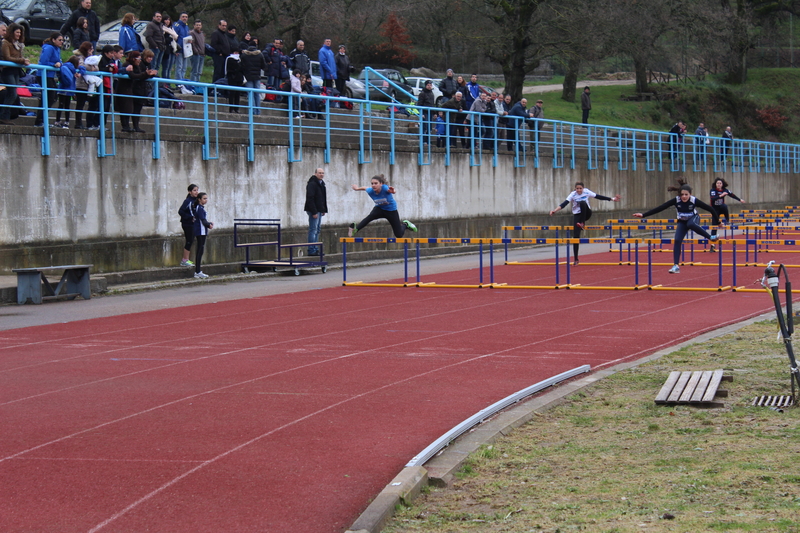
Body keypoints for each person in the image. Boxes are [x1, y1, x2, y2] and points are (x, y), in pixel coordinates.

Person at [633, 178, 721, 274]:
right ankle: (675, 266)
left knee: (690, 224)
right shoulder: (676, 200)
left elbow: (711, 209)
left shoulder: (694, 200)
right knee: (677, 240)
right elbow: (661, 208)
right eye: (682, 195)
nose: (684, 197)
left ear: (690, 194)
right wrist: (643, 215)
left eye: (686, 195)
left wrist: (718, 222)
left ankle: (710, 237)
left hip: (694, 218)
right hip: (682, 222)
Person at [549, 182, 621, 266]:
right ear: (575, 189)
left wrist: (612, 199)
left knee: (583, 202)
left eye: (580, 188)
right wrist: (555, 210)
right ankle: (576, 259)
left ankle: (582, 223)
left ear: (583, 188)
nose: (579, 190)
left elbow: (598, 196)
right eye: (577, 189)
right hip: (577, 215)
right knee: (576, 237)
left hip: (587, 213)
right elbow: (564, 203)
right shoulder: (573, 194)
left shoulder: (587, 191)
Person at [348, 174, 418, 238]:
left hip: (391, 211)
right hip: (379, 209)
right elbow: (365, 188)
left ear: (381, 184)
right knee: (369, 217)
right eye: (372, 184)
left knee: (399, 235)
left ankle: (405, 224)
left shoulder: (384, 188)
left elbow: (391, 190)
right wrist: (357, 188)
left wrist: (393, 191)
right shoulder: (370, 190)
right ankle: (355, 230)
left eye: (376, 183)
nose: (373, 185)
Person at [117, 50, 157, 133]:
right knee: (126, 109)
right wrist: (146, 74)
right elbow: (133, 76)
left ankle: (133, 127)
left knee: (132, 109)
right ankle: (126, 126)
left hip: (132, 90)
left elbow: (140, 75)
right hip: (126, 90)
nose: (139, 60)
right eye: (138, 58)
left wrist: (149, 74)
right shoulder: (128, 65)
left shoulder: (137, 65)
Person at [0, 23, 31, 126]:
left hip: (15, 71)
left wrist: (23, 60)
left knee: (12, 94)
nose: (19, 34)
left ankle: (6, 117)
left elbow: (18, 57)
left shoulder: (18, 44)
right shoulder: (5, 43)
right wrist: (22, 61)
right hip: (7, 71)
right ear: (12, 32)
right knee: (12, 93)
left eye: (20, 32)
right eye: (17, 32)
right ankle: (3, 116)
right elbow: (7, 58)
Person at [34, 32, 64, 127]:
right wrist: (53, 65)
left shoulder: (57, 48)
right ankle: (39, 121)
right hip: (44, 75)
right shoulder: (49, 48)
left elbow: (58, 60)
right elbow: (43, 62)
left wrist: (59, 63)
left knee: (52, 97)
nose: (61, 42)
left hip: (50, 76)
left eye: (62, 40)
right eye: (60, 40)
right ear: (53, 40)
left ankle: (41, 120)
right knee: (49, 97)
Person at [709, 177, 745, 251]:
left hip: (721, 208)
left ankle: (727, 219)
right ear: (715, 184)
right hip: (715, 210)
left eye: (720, 183)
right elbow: (712, 198)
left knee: (724, 206)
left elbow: (732, 195)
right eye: (717, 183)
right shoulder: (713, 190)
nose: (718, 185)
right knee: (714, 226)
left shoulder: (725, 190)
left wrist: (739, 199)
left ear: (722, 184)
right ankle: (712, 244)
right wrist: (721, 196)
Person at [54, 56, 84, 128]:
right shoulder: (72, 69)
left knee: (61, 105)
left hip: (63, 89)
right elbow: (83, 68)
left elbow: (83, 68)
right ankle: (66, 121)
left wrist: (80, 72)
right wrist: (79, 73)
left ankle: (58, 120)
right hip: (68, 89)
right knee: (67, 106)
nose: (79, 65)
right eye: (78, 63)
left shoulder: (66, 66)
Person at [305, 168, 327, 256]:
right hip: (314, 210)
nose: (321, 174)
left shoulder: (321, 184)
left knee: (317, 230)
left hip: (319, 210)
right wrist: (314, 212)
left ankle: (315, 248)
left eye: (323, 173)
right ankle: (311, 250)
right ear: (315, 173)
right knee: (313, 230)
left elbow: (322, 198)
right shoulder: (312, 184)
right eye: (319, 173)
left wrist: (323, 209)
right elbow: (310, 198)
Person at [241, 41, 267, 114]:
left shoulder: (244, 55)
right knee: (257, 94)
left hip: (248, 76)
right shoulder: (260, 55)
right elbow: (264, 66)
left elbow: (241, 66)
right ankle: (258, 110)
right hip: (257, 77)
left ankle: (252, 110)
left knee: (250, 94)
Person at [192, 192, 214, 279]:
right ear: (199, 199)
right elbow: (203, 221)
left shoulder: (200, 208)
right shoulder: (199, 208)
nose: (206, 200)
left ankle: (198, 271)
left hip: (202, 231)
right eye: (204, 198)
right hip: (200, 232)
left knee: (200, 251)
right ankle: (197, 271)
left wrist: (208, 224)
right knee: (199, 251)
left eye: (206, 198)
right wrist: (209, 225)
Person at [178, 184, 199, 267]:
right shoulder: (188, 201)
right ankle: (184, 260)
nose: (196, 192)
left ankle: (186, 259)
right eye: (194, 190)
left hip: (193, 224)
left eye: (197, 190)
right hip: (187, 224)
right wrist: (190, 217)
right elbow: (180, 211)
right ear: (190, 192)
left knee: (191, 241)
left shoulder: (196, 200)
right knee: (189, 240)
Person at [224, 48, 244, 113]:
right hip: (232, 78)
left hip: (239, 79)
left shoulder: (240, 59)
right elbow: (228, 70)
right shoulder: (229, 59)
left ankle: (236, 108)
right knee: (232, 94)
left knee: (237, 94)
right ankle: (231, 108)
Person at [161, 14, 179, 79]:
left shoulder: (171, 29)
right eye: (166, 19)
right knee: (165, 67)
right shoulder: (162, 29)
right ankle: (164, 82)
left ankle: (168, 82)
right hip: (166, 50)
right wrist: (170, 38)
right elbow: (163, 40)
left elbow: (176, 37)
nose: (167, 21)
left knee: (170, 68)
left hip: (172, 49)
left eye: (168, 20)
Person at [174, 12, 191, 80]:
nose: (185, 18)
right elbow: (174, 38)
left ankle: (182, 81)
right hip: (179, 50)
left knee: (184, 68)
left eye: (186, 17)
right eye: (183, 16)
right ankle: (178, 83)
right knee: (179, 67)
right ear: (180, 17)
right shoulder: (176, 26)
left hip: (186, 50)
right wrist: (176, 49)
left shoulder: (186, 27)